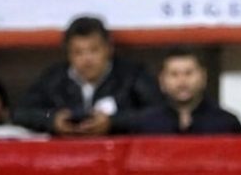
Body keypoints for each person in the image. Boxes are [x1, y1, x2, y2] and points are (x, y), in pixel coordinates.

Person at [13, 15, 162, 136]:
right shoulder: (54, 79)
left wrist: (113, 122)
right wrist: (52, 121)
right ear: (68, 54)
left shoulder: (132, 76)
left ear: (109, 48)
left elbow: (159, 115)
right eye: (78, 52)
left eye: (94, 50)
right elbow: (22, 113)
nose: (87, 60)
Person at [138, 46, 241, 135]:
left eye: (188, 73)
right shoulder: (146, 125)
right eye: (174, 74)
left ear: (203, 77)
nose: (182, 81)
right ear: (162, 81)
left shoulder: (226, 123)